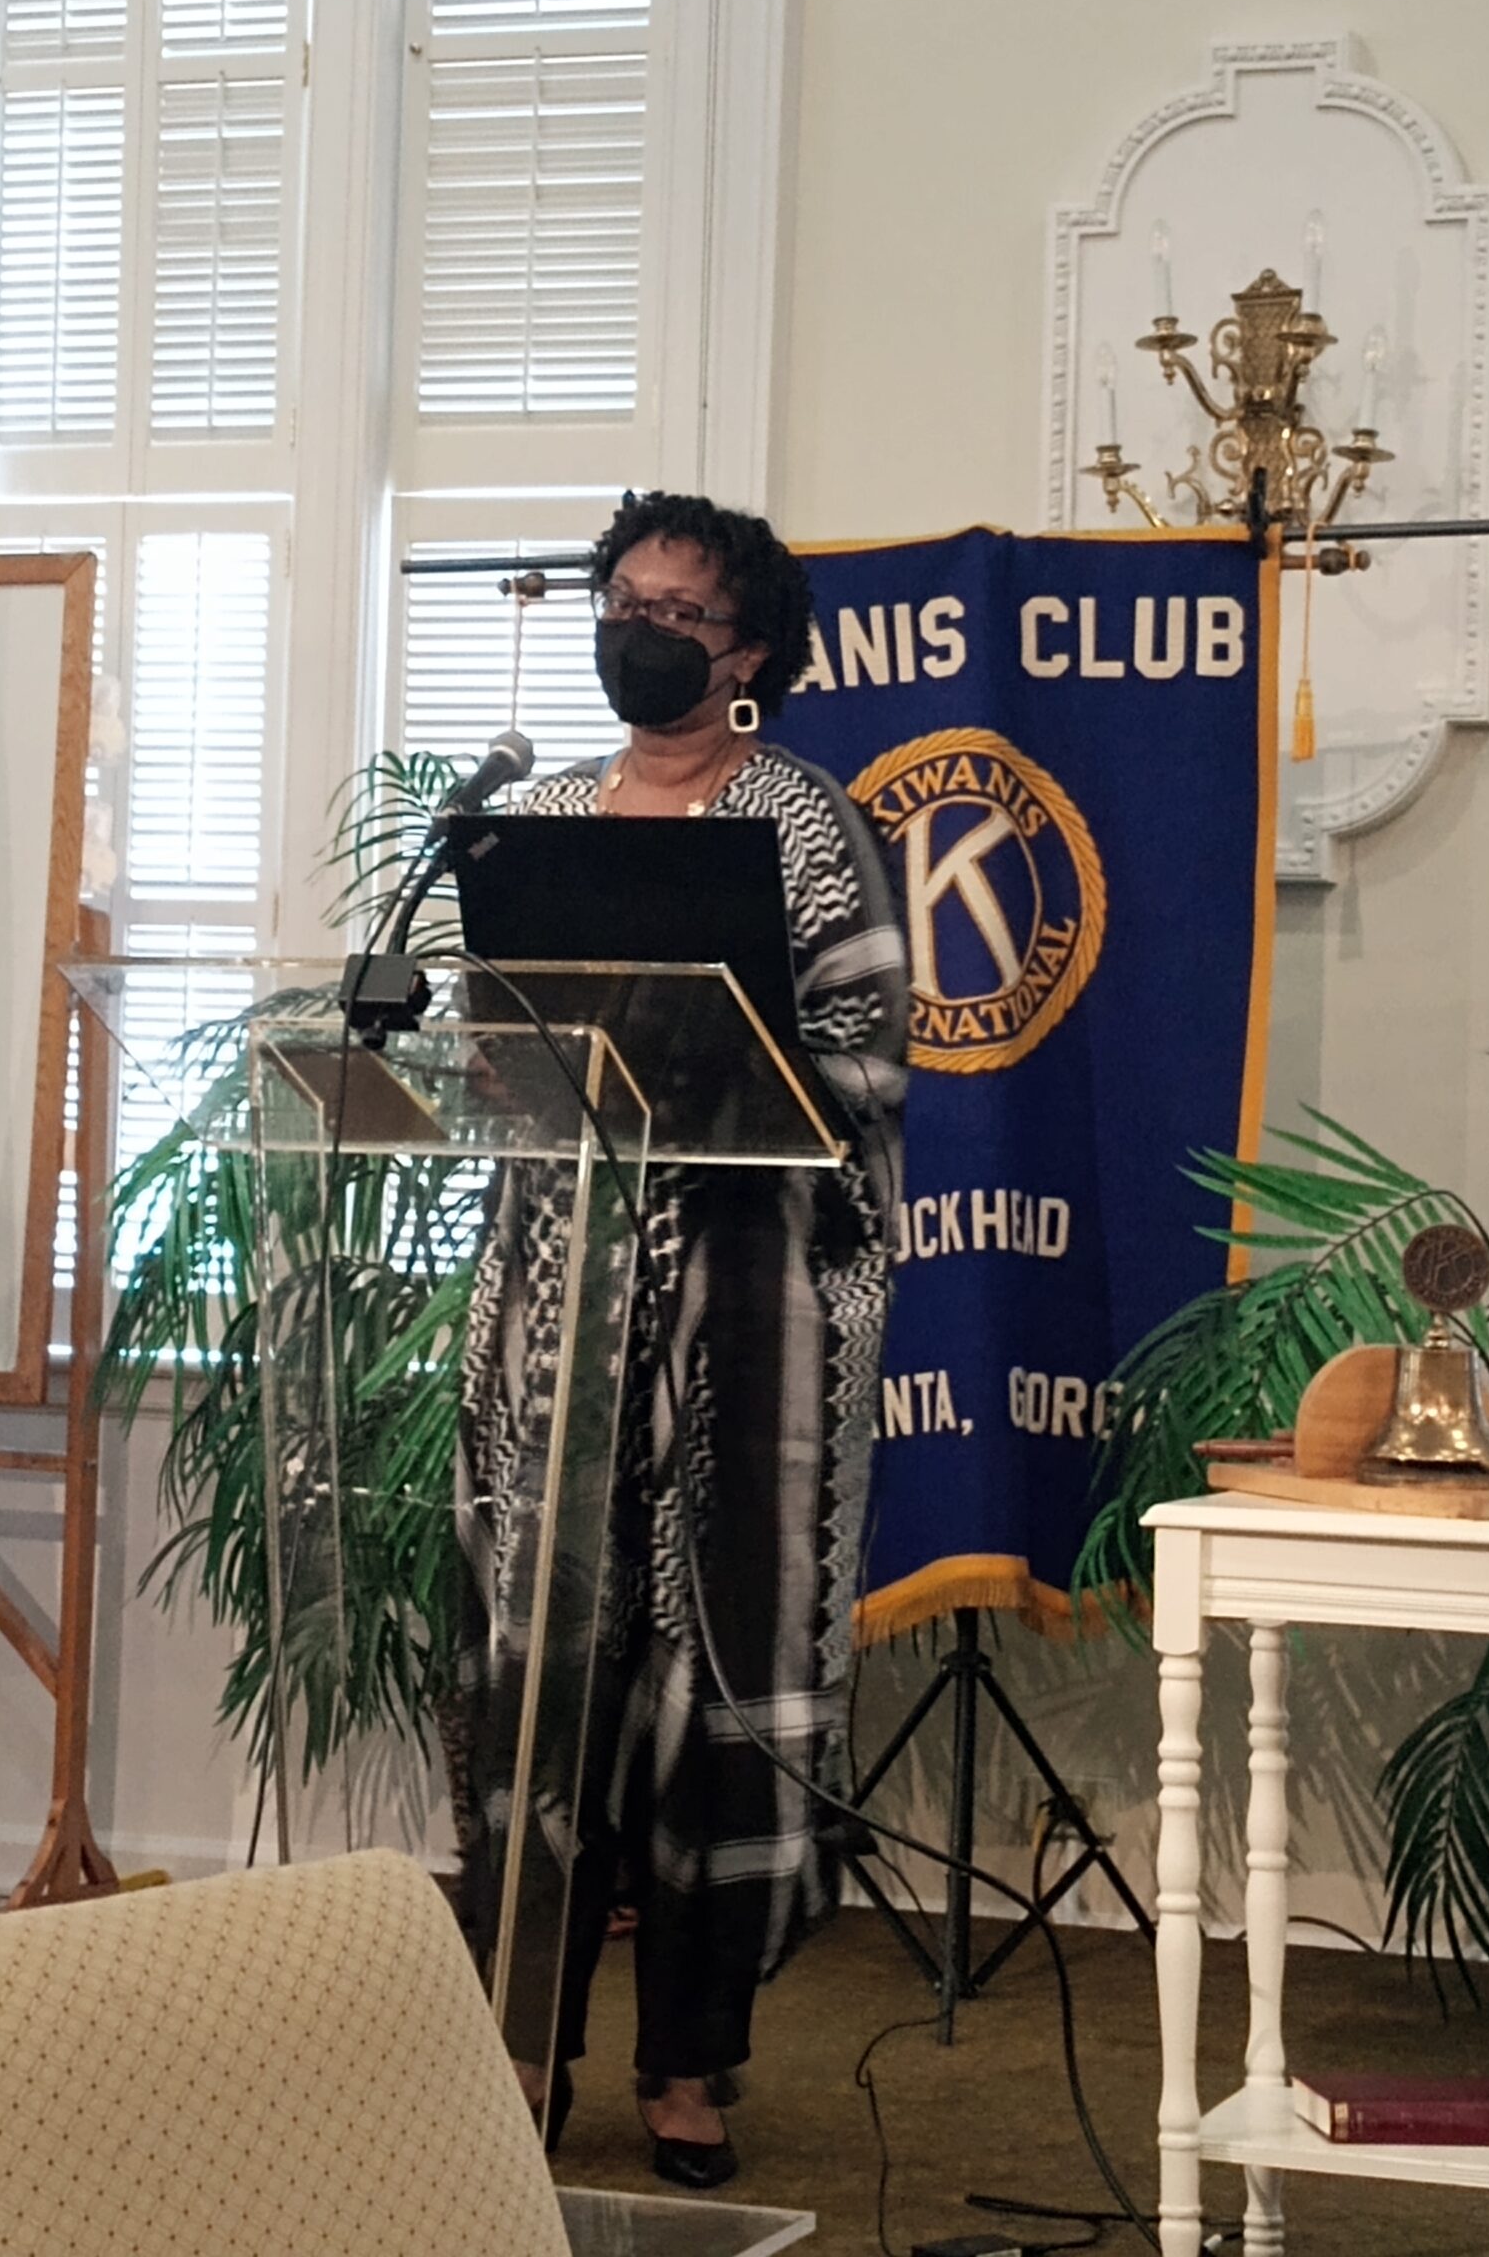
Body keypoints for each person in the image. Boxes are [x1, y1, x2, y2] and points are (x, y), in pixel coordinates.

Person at [453, 491, 908, 2190]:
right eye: (622, 599)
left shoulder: (803, 823)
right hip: (558, 1307)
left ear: (747, 654)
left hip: (746, 1311)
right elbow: (484, 1033)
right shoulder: (537, 818)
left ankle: (689, 2065)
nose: (637, 630)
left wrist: (712, 1071)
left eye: (676, 612)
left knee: (718, 1684)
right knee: (543, 1682)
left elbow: (864, 1055)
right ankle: (520, 2045)